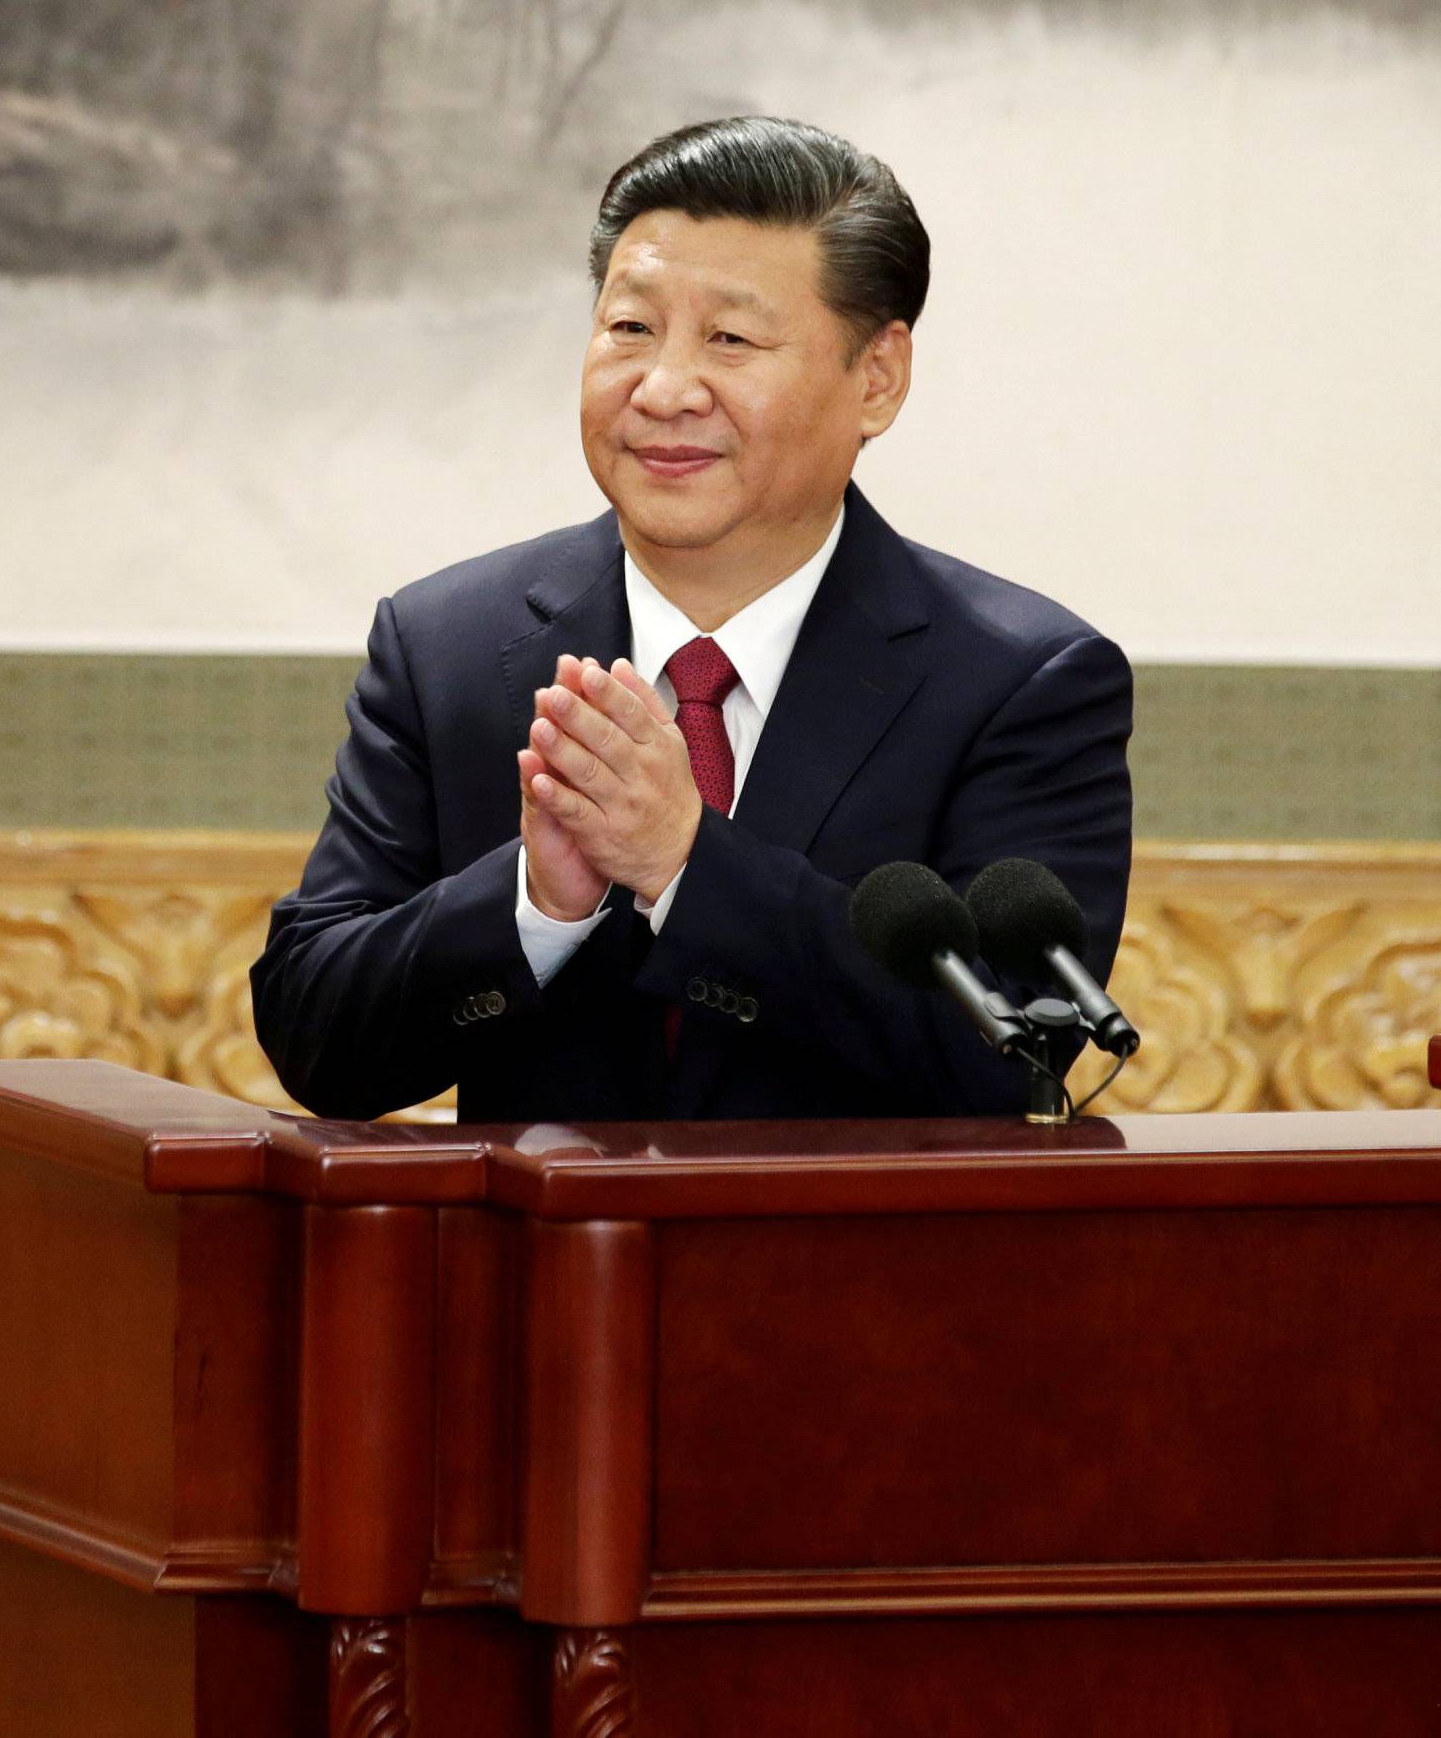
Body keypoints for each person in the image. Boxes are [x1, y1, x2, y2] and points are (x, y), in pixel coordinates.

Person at [251, 116, 1133, 1122]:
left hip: (861, 1277)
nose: (663, 390)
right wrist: (537, 905)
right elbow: (316, 1041)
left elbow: (1013, 1054)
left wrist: (684, 862)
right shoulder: (449, 645)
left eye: (730, 339)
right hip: (542, 1274)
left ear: (877, 377)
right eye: (630, 329)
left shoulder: (1021, 680)